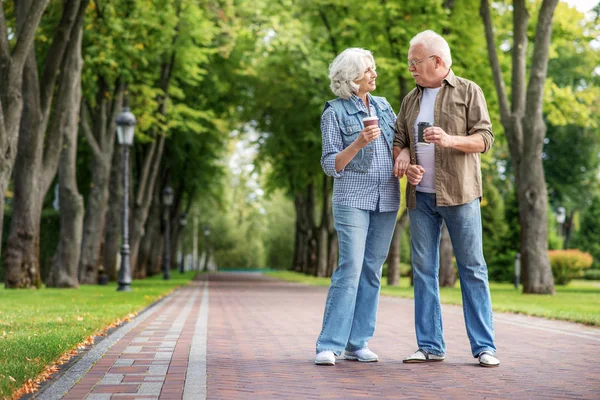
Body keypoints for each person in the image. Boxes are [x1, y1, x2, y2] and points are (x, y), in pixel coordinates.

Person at [392, 30, 500, 367]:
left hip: (460, 195)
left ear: (437, 62)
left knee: (472, 270)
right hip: (420, 198)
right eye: (410, 62)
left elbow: (485, 138)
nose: (410, 68)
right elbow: (400, 140)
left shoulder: (469, 91)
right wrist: (405, 159)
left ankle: (484, 347)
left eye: (415, 62)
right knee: (424, 271)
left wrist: (450, 140)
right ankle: (429, 345)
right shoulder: (411, 99)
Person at [315, 48, 401, 366]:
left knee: (372, 271)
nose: (374, 74)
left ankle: (358, 342)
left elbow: (397, 145)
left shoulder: (384, 106)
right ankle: (329, 344)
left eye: (374, 68)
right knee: (350, 268)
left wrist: (407, 162)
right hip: (352, 200)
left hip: (387, 198)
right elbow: (330, 164)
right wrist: (358, 143)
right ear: (352, 78)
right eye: (369, 70)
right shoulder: (333, 113)